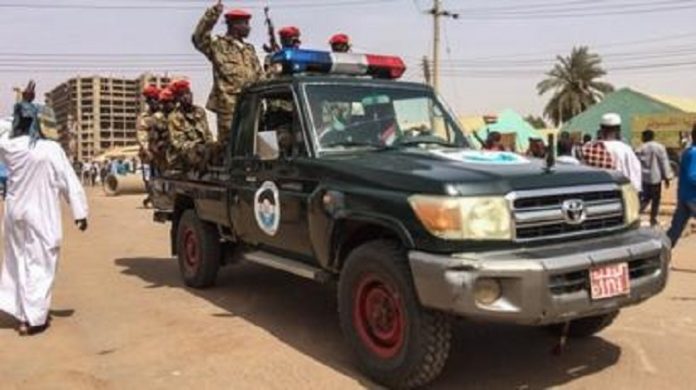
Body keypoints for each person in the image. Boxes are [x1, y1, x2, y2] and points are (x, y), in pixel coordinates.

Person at [0, 82, 88, 336]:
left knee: (18, 260)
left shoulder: (11, 147)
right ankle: (34, 319)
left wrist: (23, 104)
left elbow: (3, 127)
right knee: (40, 262)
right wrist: (80, 212)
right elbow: (69, 182)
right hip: (42, 215)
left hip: (15, 214)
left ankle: (21, 313)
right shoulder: (51, 150)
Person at [192, 1, 263, 146]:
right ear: (234, 25)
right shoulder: (218, 46)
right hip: (229, 107)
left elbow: (260, 76)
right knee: (229, 146)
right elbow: (198, 38)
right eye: (245, 23)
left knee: (253, 144)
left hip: (251, 105)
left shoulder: (249, 50)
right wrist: (213, 14)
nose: (248, 28)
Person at [582, 113, 642, 192]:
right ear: (618, 129)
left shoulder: (588, 148)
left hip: (594, 193)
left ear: (601, 128)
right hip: (617, 193)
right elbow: (634, 175)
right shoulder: (625, 149)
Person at [167, 80, 213, 172]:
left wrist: (210, 146)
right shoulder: (174, 117)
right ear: (178, 99)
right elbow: (178, 144)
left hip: (202, 150)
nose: (187, 97)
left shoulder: (199, 111)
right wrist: (197, 146)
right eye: (182, 95)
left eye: (188, 93)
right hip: (182, 155)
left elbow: (207, 133)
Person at [667, 124, 696, 247]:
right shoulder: (693, 153)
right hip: (692, 197)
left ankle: (660, 255)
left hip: (685, 196)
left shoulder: (689, 152)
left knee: (675, 230)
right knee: (675, 229)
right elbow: (692, 176)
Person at [637, 129, 672, 226]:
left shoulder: (640, 148)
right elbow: (664, 163)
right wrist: (667, 177)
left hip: (644, 178)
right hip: (656, 178)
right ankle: (653, 219)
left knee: (645, 198)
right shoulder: (659, 147)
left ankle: (635, 214)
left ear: (645, 137)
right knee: (656, 200)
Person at [149, 88, 176, 173]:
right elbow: (154, 142)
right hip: (165, 157)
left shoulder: (179, 115)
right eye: (167, 102)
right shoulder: (158, 117)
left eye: (172, 101)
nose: (171, 104)